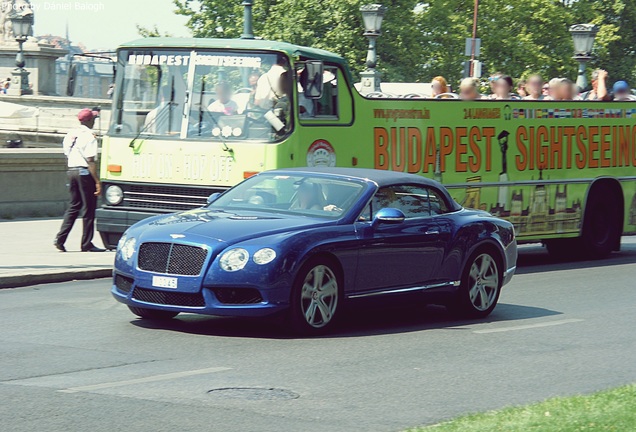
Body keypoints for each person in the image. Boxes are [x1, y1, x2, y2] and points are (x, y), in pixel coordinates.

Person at [54, 109, 104, 252]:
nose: (94, 121)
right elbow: (91, 161)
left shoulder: (71, 134)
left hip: (72, 171)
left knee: (74, 206)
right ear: (88, 120)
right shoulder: (89, 136)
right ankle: (86, 243)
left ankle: (60, 239)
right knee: (89, 209)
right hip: (84, 173)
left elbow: (67, 154)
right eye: (93, 119)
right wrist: (97, 182)